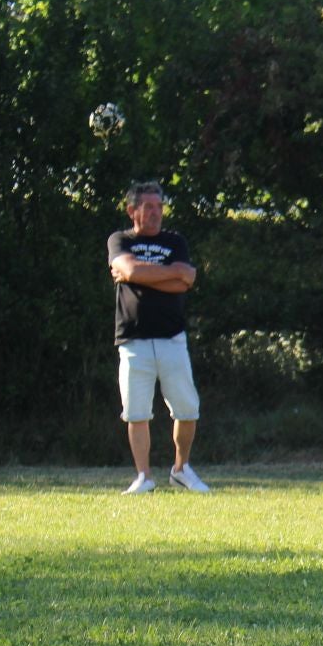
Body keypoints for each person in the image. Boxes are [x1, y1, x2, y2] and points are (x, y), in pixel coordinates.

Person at [109, 180, 205, 494]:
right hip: (133, 339)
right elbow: (131, 270)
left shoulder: (175, 241)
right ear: (132, 210)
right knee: (136, 412)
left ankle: (181, 468)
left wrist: (140, 274)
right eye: (148, 207)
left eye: (159, 207)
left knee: (186, 408)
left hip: (171, 338)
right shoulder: (120, 240)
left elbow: (186, 281)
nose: (155, 213)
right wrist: (166, 272)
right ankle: (144, 477)